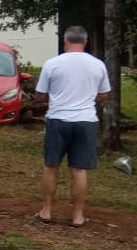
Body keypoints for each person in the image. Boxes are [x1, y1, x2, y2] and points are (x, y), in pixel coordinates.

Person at [32, 25, 111, 228]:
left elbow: (40, 95)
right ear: (85, 42)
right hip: (86, 121)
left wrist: (54, 97)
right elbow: (104, 94)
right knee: (79, 170)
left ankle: (47, 211)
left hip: (58, 119)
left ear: (65, 41)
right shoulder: (98, 65)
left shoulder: (52, 64)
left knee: (51, 166)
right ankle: (77, 216)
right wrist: (88, 100)